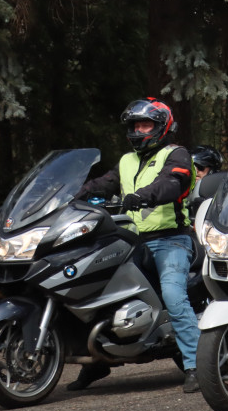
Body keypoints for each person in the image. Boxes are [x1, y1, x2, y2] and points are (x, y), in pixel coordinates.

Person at [71, 98, 201, 393]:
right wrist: (70, 196)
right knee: (95, 288)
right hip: (131, 240)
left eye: (146, 125)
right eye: (135, 125)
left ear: (161, 127)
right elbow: (102, 183)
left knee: (173, 295)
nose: (139, 131)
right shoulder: (126, 161)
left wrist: (143, 195)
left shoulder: (177, 154)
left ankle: (196, 365)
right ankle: (96, 361)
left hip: (171, 240)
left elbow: (173, 184)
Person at [189, 145, 224, 214]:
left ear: (213, 170)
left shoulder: (221, 197)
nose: (195, 170)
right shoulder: (181, 192)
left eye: (200, 166)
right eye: (191, 166)